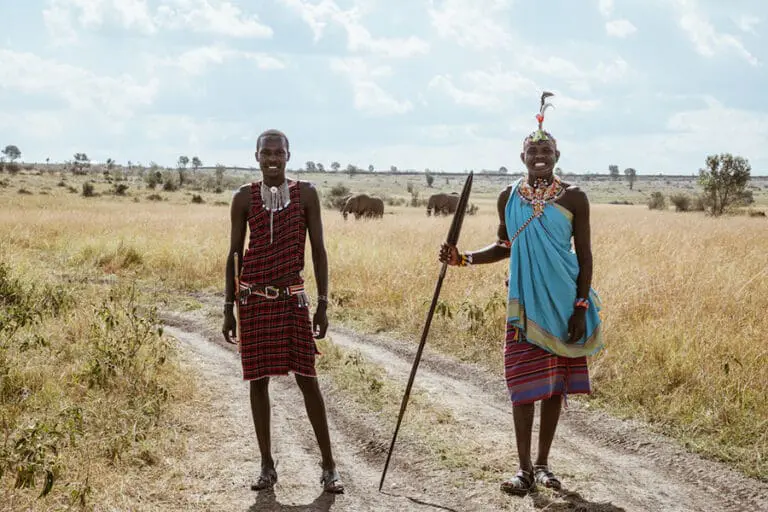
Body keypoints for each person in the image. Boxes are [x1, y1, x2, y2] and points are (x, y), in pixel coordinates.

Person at [439, 93, 604, 495]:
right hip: (524, 303)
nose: (540, 157)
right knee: (522, 384)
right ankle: (524, 469)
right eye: (533, 151)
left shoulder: (574, 197)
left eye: (546, 151)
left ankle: (544, 464)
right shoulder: (508, 197)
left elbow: (585, 256)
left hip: (563, 303)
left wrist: (580, 306)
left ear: (557, 155)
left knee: (554, 386)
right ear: (522, 156)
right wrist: (463, 259)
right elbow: (505, 246)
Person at [222, 129, 344, 494]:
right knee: (258, 381)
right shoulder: (243, 197)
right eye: (266, 153)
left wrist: (323, 304)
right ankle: (266, 465)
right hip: (253, 300)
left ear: (288, 156)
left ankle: (329, 466)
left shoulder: (306, 194)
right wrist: (228, 307)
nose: (272, 158)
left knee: (308, 378)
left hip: (292, 298)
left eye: (279, 152)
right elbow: (234, 255)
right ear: (256, 156)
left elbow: (319, 250)